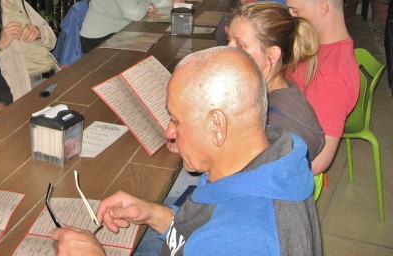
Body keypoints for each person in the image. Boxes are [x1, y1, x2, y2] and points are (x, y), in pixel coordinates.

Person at [51, 47, 322, 255]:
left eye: (176, 120)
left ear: (217, 126)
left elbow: (221, 237)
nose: (169, 132)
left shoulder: (238, 239)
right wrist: (154, 214)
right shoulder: (268, 160)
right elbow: (203, 227)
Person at [286, 0, 359, 175]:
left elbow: (317, 161)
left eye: (296, 11)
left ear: (322, 8)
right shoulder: (319, 44)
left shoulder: (330, 77)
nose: (291, 17)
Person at [227, 2, 325, 159]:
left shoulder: (274, 125)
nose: (227, 51)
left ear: (271, 55)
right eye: (229, 40)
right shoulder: (279, 91)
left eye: (240, 45)